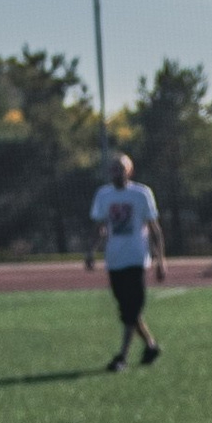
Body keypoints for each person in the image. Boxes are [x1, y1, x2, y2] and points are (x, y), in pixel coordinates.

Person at [85, 147, 164, 369]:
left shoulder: (141, 194)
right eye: (114, 169)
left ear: (130, 171)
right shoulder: (103, 195)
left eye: (121, 169)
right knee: (127, 310)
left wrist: (161, 261)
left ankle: (122, 356)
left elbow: (154, 228)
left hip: (137, 258)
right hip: (115, 259)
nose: (117, 173)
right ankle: (150, 345)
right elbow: (99, 226)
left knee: (132, 307)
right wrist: (91, 251)